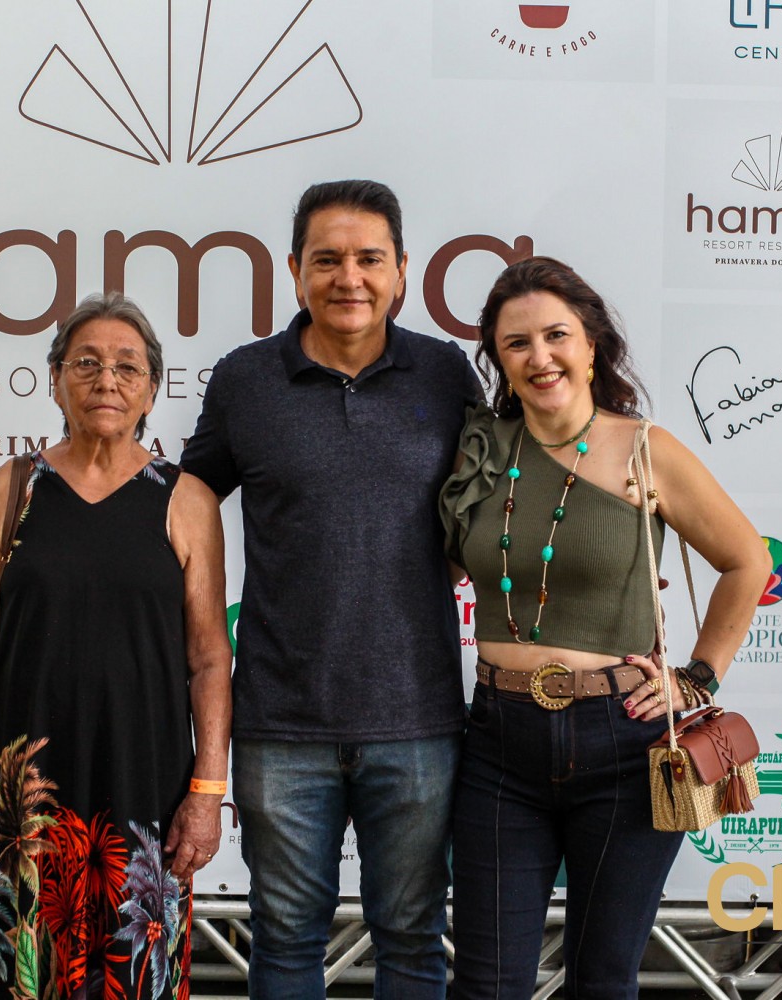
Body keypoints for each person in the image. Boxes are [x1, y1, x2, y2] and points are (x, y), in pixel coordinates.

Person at [181, 179, 480, 999]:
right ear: (295, 270)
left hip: (417, 720)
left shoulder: (445, 374)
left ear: (403, 269)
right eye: (327, 260)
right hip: (281, 723)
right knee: (283, 940)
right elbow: (184, 500)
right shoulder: (245, 380)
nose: (349, 278)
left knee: (414, 937)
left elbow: (501, 502)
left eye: (369, 259)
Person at [441, 257, 769, 999]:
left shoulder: (647, 450)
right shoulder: (481, 450)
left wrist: (698, 678)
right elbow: (443, 562)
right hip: (499, 743)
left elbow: (747, 561)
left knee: (603, 982)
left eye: (557, 335)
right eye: (516, 342)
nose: (540, 356)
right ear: (499, 360)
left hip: (623, 741)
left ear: (592, 345)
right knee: (487, 985)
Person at [0, 292, 232, 1000]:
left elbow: (210, 659)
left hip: (147, 779)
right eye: (86, 363)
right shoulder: (15, 488)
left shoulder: (185, 499)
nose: (106, 380)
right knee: (32, 970)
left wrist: (208, 793)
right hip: (31, 781)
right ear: (56, 379)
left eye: (128, 366)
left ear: (152, 388)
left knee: (139, 976)